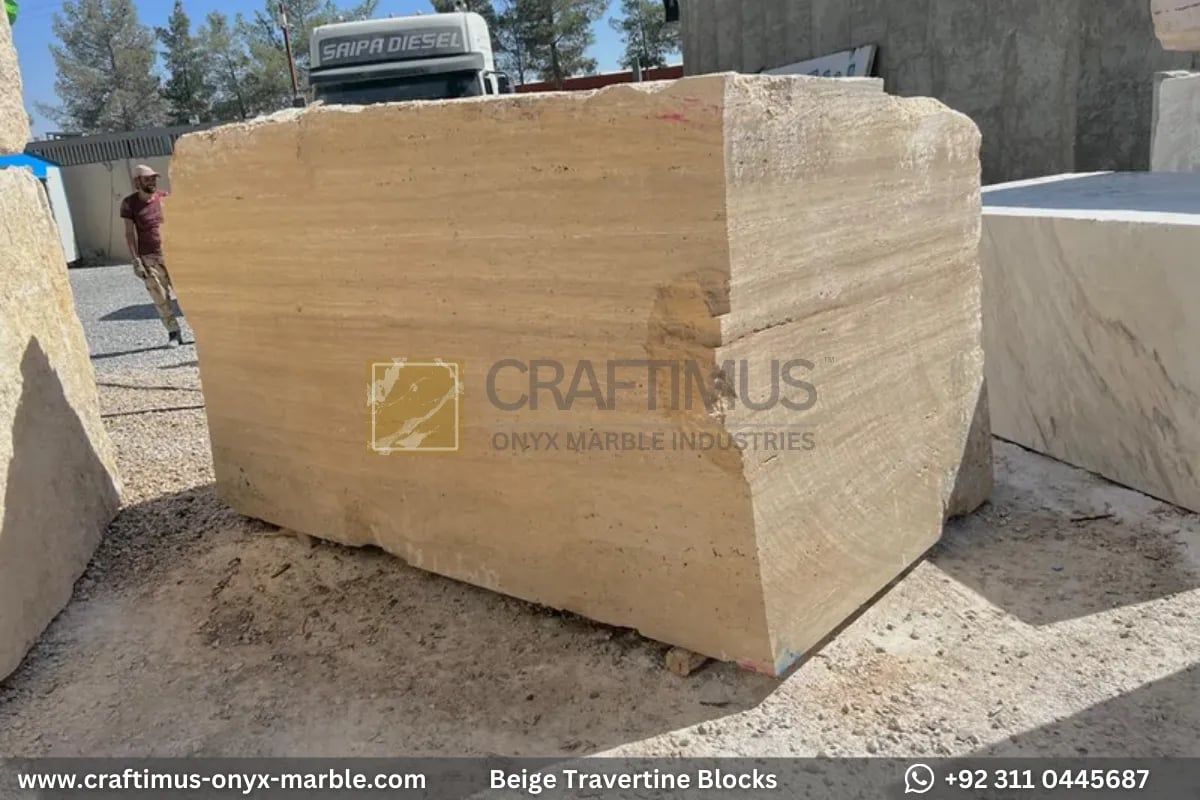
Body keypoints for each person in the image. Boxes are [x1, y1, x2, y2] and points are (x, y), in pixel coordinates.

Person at [121, 164, 183, 347]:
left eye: (154, 178)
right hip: (149, 257)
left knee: (186, 294)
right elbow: (129, 233)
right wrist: (135, 260)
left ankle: (199, 331)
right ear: (137, 182)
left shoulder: (164, 198)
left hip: (172, 254)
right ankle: (174, 332)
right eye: (147, 179)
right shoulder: (129, 204)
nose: (152, 182)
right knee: (160, 298)